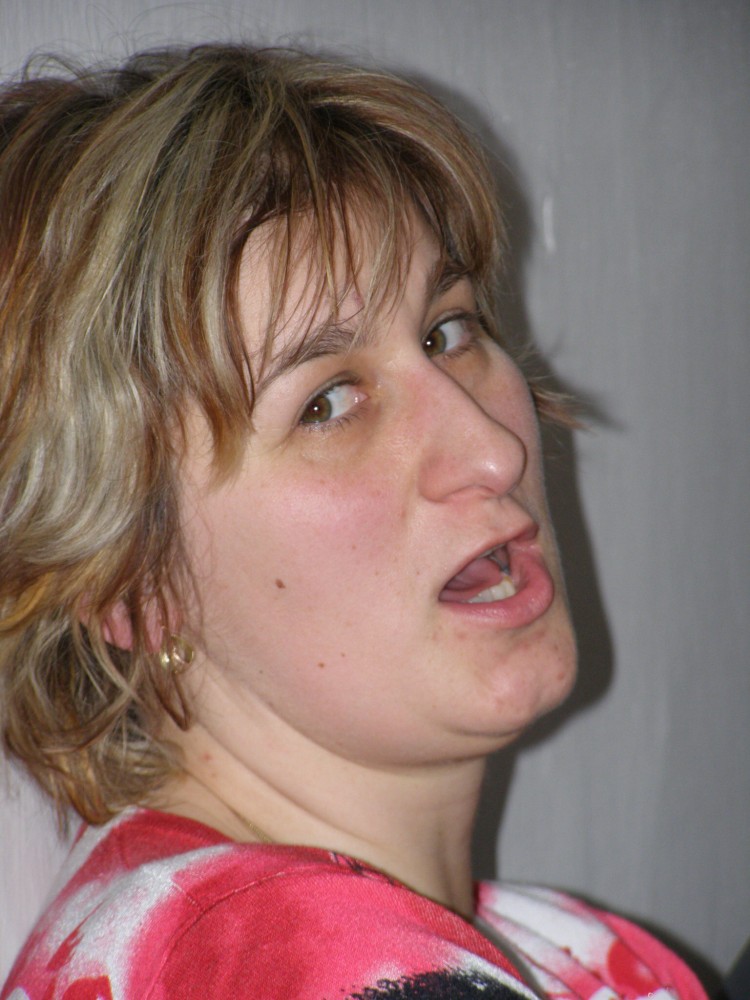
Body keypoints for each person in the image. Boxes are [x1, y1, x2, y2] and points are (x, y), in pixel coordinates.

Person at [0, 43, 706, 1000]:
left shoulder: (190, 939)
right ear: (127, 579)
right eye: (327, 403)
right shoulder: (306, 967)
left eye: (446, 331)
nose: (494, 448)